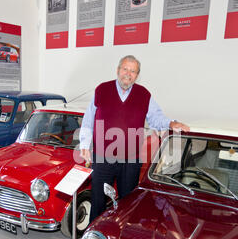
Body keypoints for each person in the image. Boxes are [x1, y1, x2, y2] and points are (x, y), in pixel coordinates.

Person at [79, 55, 190, 222]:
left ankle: (122, 238)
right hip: (102, 158)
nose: (128, 74)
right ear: (118, 70)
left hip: (131, 160)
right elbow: (88, 120)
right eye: (125, 69)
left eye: (133, 71)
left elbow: (155, 118)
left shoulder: (144, 94)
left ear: (137, 75)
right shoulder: (101, 90)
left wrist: (171, 123)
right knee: (98, 201)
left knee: (128, 203)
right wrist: (85, 145)